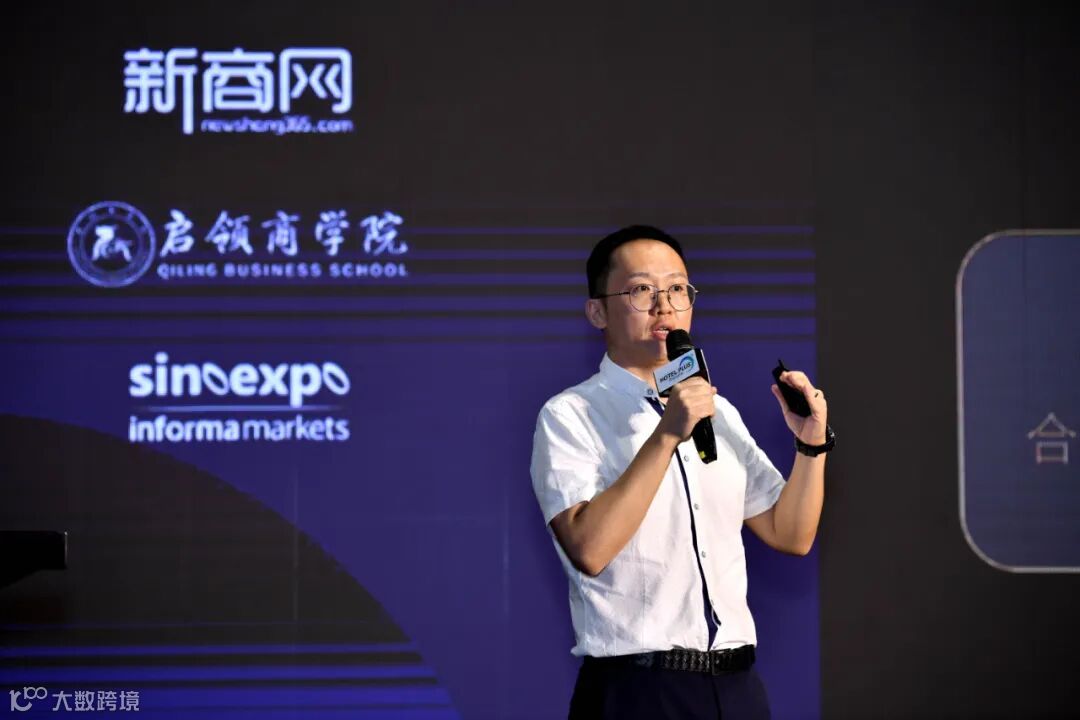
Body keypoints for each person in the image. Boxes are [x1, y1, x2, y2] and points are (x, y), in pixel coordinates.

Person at [530, 225, 831, 719]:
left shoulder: (718, 411)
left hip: (736, 686)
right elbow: (589, 549)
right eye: (641, 290)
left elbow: (790, 533)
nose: (663, 307)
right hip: (637, 690)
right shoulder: (570, 415)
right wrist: (667, 433)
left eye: (676, 289)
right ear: (597, 312)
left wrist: (811, 444)